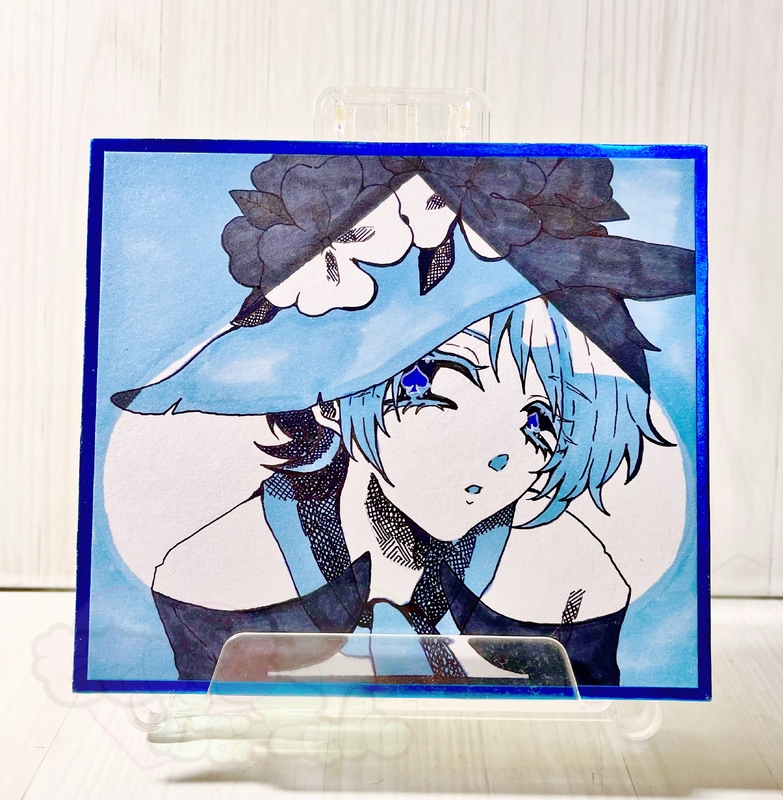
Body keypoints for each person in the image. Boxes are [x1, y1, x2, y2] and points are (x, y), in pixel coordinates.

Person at [105, 152, 695, 685]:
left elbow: (576, 716)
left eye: (539, 422)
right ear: (332, 401)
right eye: (440, 390)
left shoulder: (571, 582)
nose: (503, 454)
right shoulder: (222, 570)